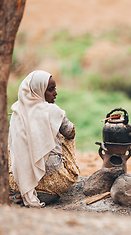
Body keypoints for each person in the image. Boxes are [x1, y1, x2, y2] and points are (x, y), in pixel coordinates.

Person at [8, 70, 80, 207]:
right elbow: (70, 132)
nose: (55, 93)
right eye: (51, 90)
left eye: (55, 89)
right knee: (66, 138)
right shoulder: (53, 111)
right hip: (55, 179)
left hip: (19, 180)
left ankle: (25, 192)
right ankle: (45, 193)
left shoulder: (17, 111)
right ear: (38, 91)